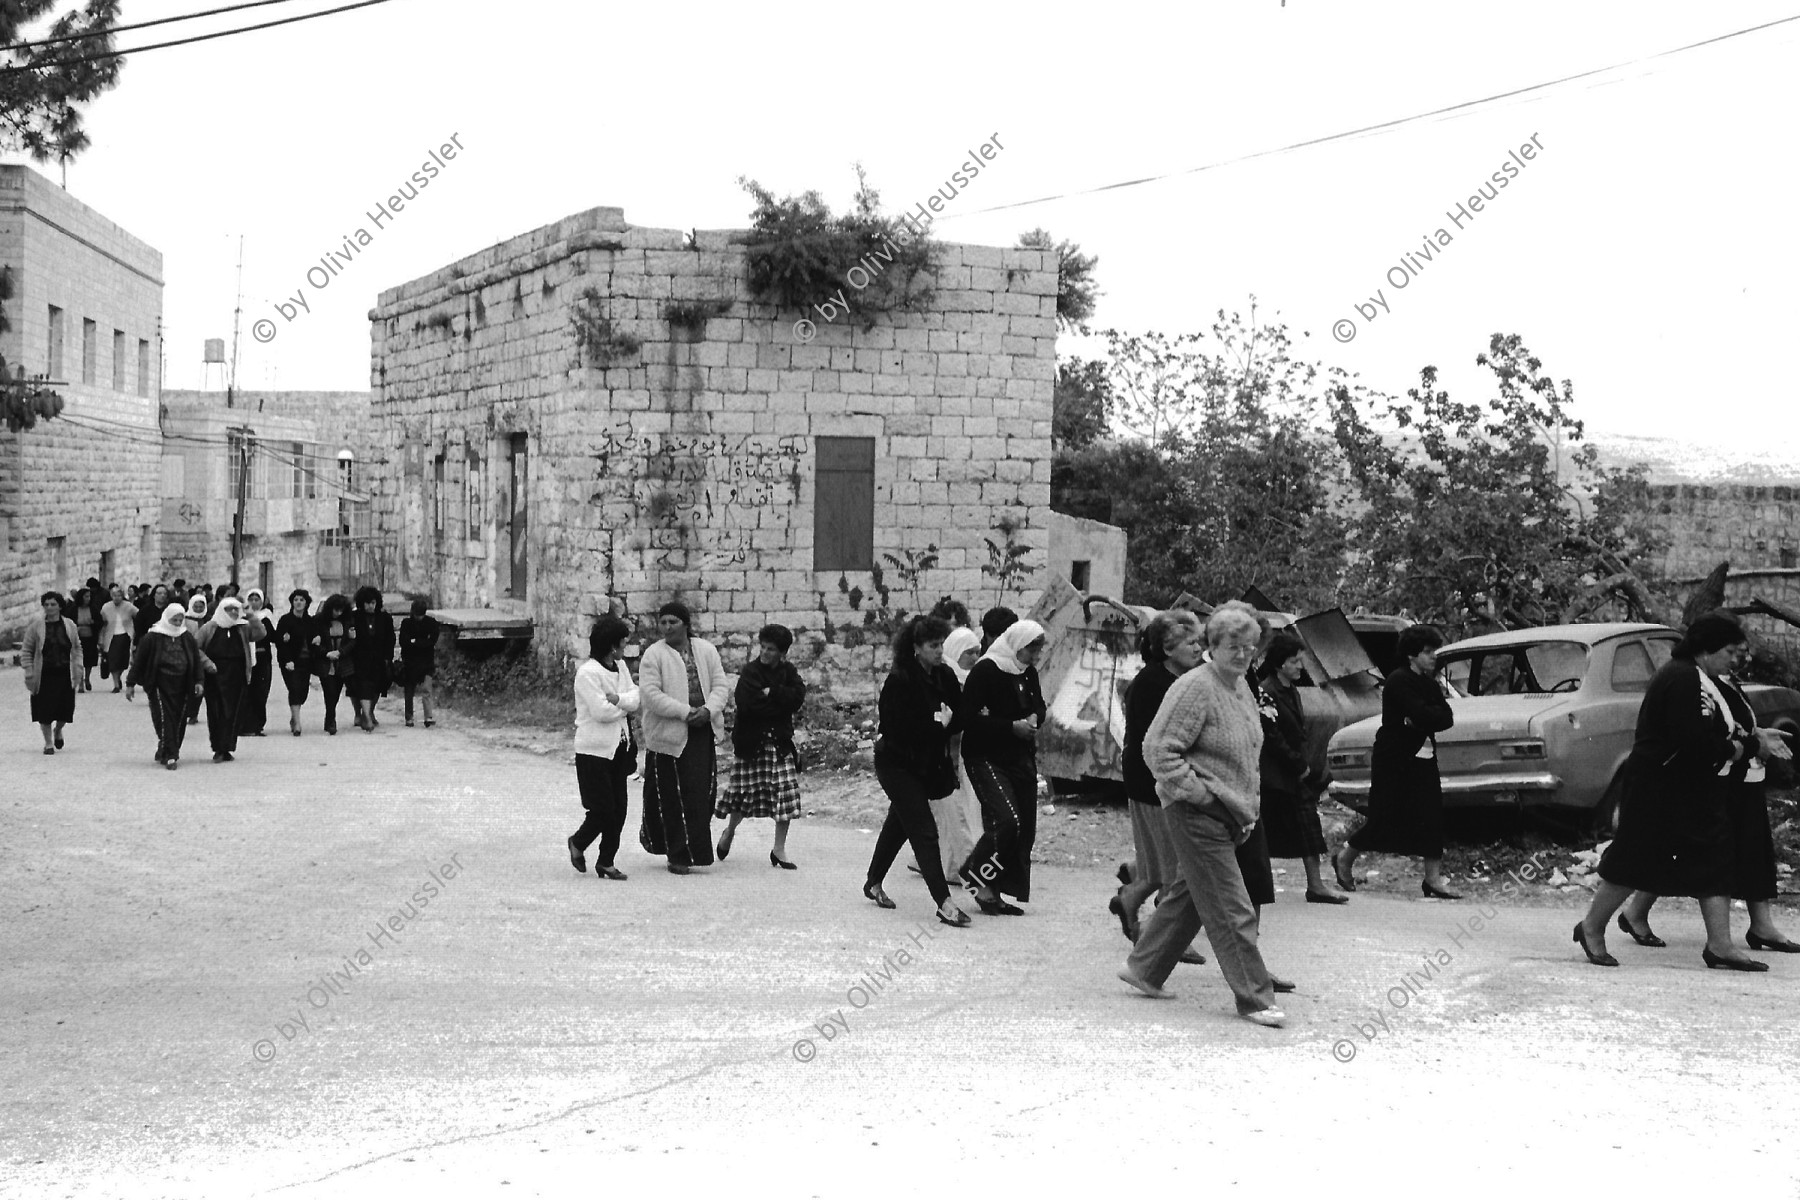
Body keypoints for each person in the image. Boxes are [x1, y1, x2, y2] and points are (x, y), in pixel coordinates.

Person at [1577, 614, 1786, 970]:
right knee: (1634, 860)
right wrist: (1743, 748)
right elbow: (1692, 740)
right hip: (1660, 787)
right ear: (1706, 649)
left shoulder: (1699, 676)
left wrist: (1742, 742)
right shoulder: (1682, 678)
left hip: (1691, 786)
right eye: (1729, 652)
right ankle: (1592, 927)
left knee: (1714, 856)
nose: (1734, 660)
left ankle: (1720, 945)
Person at [1118, 605, 1286, 1028]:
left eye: (1250, 646)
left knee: (1189, 895)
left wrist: (1245, 809)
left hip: (1231, 814)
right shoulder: (1195, 686)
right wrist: (1201, 795)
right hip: (1197, 812)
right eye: (1233, 645)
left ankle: (1144, 968)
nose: (1244, 653)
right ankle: (1254, 998)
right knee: (1233, 908)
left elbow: (1246, 752)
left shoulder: (1239, 687)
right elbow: (1158, 749)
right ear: (1212, 645)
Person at [1614, 638, 1800, 955]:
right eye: (1732, 649)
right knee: (1691, 851)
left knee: (1749, 848)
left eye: (1741, 649)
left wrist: (1757, 735)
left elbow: (1735, 724)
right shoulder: (1696, 680)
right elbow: (1708, 731)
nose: (1741, 655)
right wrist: (1752, 740)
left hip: (1742, 775)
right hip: (1718, 777)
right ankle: (1633, 916)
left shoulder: (1722, 678)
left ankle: (1758, 925)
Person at [1110, 609, 1208, 968]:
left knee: (1162, 862)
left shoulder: (1177, 678)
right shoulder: (1153, 683)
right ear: (1168, 650)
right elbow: (1159, 740)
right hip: (1152, 782)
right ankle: (1162, 940)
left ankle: (1133, 900)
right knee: (1175, 865)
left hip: (1161, 779)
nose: (1199, 648)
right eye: (1191, 642)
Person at [1333, 626, 1460, 899]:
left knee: (1432, 816)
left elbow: (1446, 717)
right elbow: (1421, 712)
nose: (1433, 657)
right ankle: (1344, 858)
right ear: (1412, 655)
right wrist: (1422, 716)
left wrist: (1422, 718)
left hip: (1424, 756)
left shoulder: (1429, 682)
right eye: (1427, 652)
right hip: (1395, 758)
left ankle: (1433, 879)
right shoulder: (1398, 680)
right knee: (1384, 816)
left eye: (1433, 651)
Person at [865, 615, 973, 927]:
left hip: (926, 765)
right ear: (915, 648)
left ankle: (873, 882)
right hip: (896, 764)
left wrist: (950, 723)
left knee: (898, 823)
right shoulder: (900, 680)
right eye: (932, 645)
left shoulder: (943, 675)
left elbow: (961, 711)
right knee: (924, 831)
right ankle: (944, 903)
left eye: (941, 644)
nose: (939, 651)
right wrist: (936, 724)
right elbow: (895, 728)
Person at [958, 618, 1049, 915]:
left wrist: (1035, 719)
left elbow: (1039, 705)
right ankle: (974, 875)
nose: (1035, 656)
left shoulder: (1028, 673)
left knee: (1023, 829)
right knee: (1007, 820)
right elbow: (968, 718)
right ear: (1017, 645)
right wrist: (1011, 727)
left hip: (1019, 759)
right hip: (986, 757)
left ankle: (992, 890)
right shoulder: (986, 670)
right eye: (1031, 649)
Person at [637, 601, 731, 874]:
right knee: (672, 796)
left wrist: (708, 710)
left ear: (686, 624)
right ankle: (676, 854)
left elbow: (720, 685)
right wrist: (685, 712)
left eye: (673, 622)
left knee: (700, 793)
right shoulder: (654, 655)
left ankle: (696, 852)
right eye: (663, 622)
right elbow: (651, 696)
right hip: (668, 736)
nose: (667, 627)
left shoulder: (705, 650)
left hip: (701, 733)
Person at [1257, 633, 1348, 904]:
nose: (1300, 666)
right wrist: (1298, 765)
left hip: (1293, 773)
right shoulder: (1268, 691)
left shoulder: (1290, 690)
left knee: (1308, 825)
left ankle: (1316, 885)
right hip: (1276, 774)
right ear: (1280, 663)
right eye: (1295, 661)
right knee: (1263, 833)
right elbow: (1272, 736)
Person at [716, 624, 808, 868]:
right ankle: (730, 831)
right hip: (751, 742)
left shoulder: (788, 672)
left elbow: (798, 698)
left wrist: (773, 692)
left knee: (785, 794)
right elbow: (748, 704)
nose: (765, 653)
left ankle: (779, 849)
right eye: (763, 647)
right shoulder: (750, 672)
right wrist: (779, 702)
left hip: (779, 743)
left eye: (771, 649)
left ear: (782, 653)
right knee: (742, 795)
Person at [567, 615, 641, 881]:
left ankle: (606, 860)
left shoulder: (620, 667)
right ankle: (578, 841)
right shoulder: (588, 673)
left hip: (619, 748)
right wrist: (624, 704)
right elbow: (600, 711)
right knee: (602, 809)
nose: (625, 648)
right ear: (612, 645)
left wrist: (619, 699)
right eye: (622, 643)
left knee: (619, 809)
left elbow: (636, 696)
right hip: (594, 751)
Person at [917, 624, 985, 883]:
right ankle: (961, 868)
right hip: (947, 758)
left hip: (962, 760)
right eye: (970, 652)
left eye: (978, 652)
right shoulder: (948, 679)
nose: (975, 658)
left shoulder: (966, 679)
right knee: (954, 816)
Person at [125, 603, 212, 770]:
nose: (178, 623)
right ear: (166, 618)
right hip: (159, 683)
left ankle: (168, 748)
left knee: (179, 720)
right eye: (175, 619)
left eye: (181, 619)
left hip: (182, 684)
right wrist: (130, 683)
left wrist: (199, 681)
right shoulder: (152, 637)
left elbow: (195, 660)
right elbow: (139, 662)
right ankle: (170, 755)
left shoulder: (186, 637)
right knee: (163, 718)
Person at [196, 597, 262, 763]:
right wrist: (207, 663)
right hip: (215, 676)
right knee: (217, 712)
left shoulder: (242, 628)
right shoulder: (209, 627)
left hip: (237, 675)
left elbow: (260, 633)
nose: (233, 612)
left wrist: (250, 615)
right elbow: (194, 648)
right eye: (229, 609)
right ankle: (218, 747)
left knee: (233, 713)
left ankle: (228, 747)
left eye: (235, 609)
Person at [23, 592, 82, 754]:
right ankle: (48, 743)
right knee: (45, 711)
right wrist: (29, 670)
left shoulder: (69, 625)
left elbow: (77, 647)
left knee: (65, 711)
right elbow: (27, 650)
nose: (49, 607)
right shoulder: (36, 626)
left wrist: (79, 666)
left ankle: (58, 730)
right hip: (44, 675)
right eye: (46, 604)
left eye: (53, 604)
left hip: (65, 673)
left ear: (60, 606)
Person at [348, 585, 394, 732]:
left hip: (378, 658)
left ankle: (369, 712)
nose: (370, 606)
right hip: (359, 657)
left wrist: (388, 657)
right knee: (359, 687)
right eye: (367, 603)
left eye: (373, 603)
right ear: (361, 603)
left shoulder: (385, 618)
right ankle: (363, 715)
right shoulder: (354, 617)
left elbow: (390, 638)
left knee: (377, 686)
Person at [314, 593, 356, 735]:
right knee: (329, 690)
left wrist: (341, 652)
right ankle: (331, 719)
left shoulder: (348, 621)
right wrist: (326, 653)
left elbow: (352, 641)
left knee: (337, 691)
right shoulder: (319, 621)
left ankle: (329, 716)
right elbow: (313, 642)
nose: (338, 613)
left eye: (341, 610)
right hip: (326, 662)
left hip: (342, 662)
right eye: (336, 610)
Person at [275, 590, 316, 737]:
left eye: (302, 600)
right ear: (292, 602)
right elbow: (280, 642)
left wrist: (317, 639)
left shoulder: (310, 621)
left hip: (306, 661)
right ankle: (298, 723)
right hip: (290, 662)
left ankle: (294, 717)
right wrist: (287, 660)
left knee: (303, 692)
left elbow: (315, 637)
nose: (298, 602)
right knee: (294, 688)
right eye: (296, 600)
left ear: (306, 603)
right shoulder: (285, 620)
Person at [239, 589, 277, 736]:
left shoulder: (266, 618)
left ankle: (257, 725)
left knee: (260, 693)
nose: (254, 602)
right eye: (251, 599)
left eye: (257, 599)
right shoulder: (242, 617)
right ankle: (244, 726)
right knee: (246, 693)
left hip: (262, 659)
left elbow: (273, 636)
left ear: (262, 602)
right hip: (246, 658)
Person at [397, 598, 440, 728]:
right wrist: (421, 642)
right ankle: (409, 717)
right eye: (416, 615)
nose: (418, 618)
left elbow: (432, 641)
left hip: (426, 662)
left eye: (421, 615)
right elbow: (403, 641)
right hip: (410, 662)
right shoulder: (406, 623)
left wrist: (414, 642)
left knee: (427, 689)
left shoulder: (431, 623)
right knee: (409, 691)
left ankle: (428, 716)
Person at [99, 583, 138, 693]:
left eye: (119, 595)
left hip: (125, 636)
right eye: (114, 595)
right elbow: (102, 623)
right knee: (113, 661)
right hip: (111, 637)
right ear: (111, 596)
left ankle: (119, 676)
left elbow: (138, 615)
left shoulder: (129, 606)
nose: (117, 598)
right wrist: (100, 639)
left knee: (123, 661)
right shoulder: (106, 607)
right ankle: (116, 683)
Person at [183, 593, 210, 726]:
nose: (199, 609)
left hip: (205, 657)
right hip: (189, 656)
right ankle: (188, 712)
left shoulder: (209, 620)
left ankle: (194, 713)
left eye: (201, 606)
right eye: (196, 606)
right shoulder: (185, 619)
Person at [71, 584, 101, 692]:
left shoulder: (93, 609)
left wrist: (93, 623)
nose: (88, 599)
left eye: (89, 596)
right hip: (78, 638)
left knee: (89, 660)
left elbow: (100, 622)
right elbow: (69, 622)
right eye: (86, 596)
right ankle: (80, 683)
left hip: (90, 638)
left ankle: (87, 678)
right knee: (79, 660)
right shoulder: (74, 609)